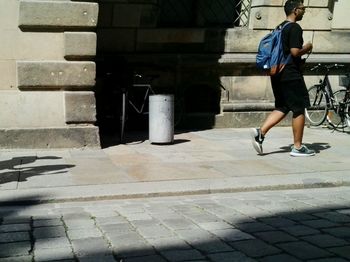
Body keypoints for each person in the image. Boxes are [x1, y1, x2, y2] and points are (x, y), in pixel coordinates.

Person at [251, 0, 315, 157]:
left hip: (277, 72)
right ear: (295, 10)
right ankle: (298, 147)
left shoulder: (279, 27)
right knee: (299, 107)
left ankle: (260, 133)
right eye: (303, 8)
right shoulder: (294, 27)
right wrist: (307, 47)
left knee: (283, 106)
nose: (304, 11)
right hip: (290, 74)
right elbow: (294, 52)